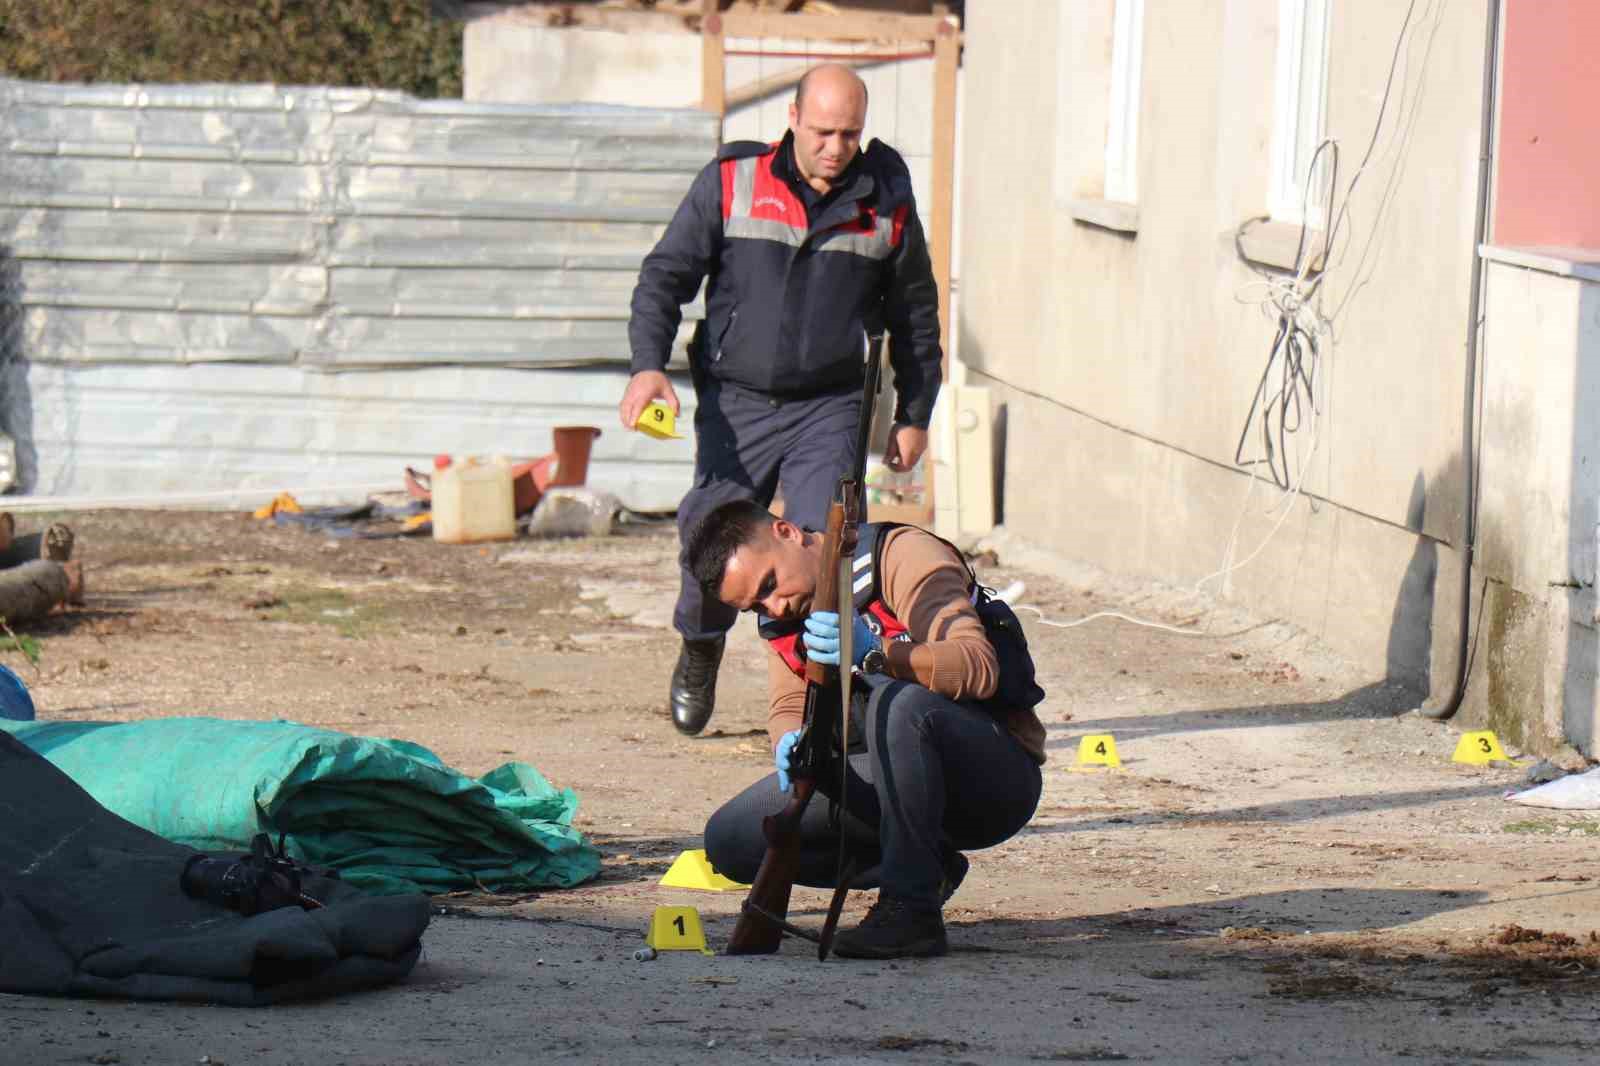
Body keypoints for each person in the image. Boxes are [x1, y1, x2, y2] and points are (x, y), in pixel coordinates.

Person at [620, 63, 944, 736]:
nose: (835, 147)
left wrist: (915, 413)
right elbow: (664, 276)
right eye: (823, 131)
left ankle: (814, 700)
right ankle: (702, 641)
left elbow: (915, 311)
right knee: (709, 537)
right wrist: (646, 366)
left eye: (850, 134)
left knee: (823, 554)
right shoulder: (733, 183)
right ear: (792, 119)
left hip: (828, 405)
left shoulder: (886, 202)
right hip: (734, 400)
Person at [685, 499, 1047, 959]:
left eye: (771, 585)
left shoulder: (900, 556)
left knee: (900, 702)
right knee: (732, 840)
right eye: (756, 604)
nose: (775, 605)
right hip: (888, 782)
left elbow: (977, 667)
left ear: (787, 532)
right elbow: (789, 701)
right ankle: (925, 866)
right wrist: (789, 741)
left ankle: (910, 910)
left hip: (990, 780)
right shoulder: (782, 617)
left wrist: (876, 655)